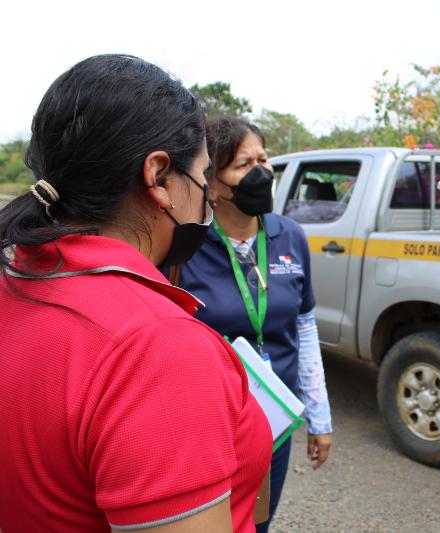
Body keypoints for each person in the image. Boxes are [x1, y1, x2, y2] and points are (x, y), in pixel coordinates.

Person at [0, 55, 271, 532]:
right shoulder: (155, 347)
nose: (207, 195)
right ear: (159, 177)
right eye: (202, 175)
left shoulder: (18, 279)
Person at [171, 116, 333, 531]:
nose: (261, 171)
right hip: (208, 425)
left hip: (272, 423)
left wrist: (319, 418)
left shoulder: (290, 236)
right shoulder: (186, 246)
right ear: (214, 181)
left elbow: (305, 328)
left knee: (256, 523)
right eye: (244, 164)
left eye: (264, 158)